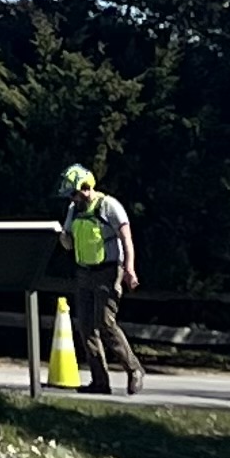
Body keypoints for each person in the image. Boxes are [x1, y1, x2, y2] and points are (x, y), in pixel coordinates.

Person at [59, 163, 142, 395]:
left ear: (86, 188)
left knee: (105, 323)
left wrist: (129, 269)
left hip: (108, 271)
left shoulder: (109, 206)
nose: (73, 199)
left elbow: (126, 238)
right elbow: (68, 240)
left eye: (75, 194)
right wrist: (63, 238)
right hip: (84, 271)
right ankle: (100, 382)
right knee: (85, 326)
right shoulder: (73, 211)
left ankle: (134, 369)